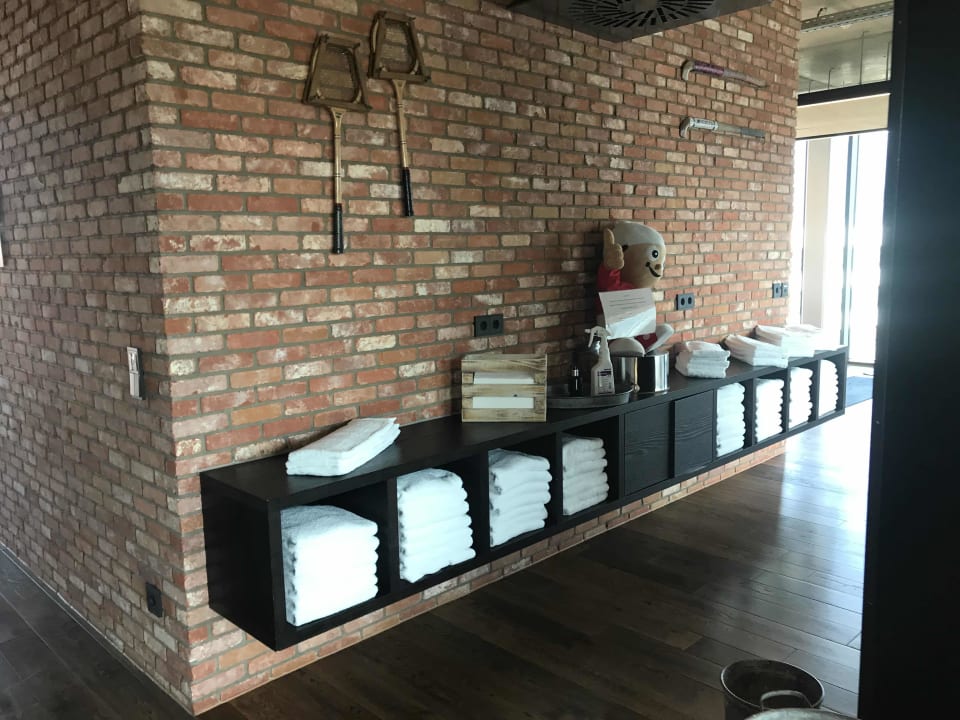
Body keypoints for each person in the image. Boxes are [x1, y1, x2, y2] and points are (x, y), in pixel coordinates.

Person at [596, 221, 673, 353]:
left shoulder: (638, 289)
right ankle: (630, 345)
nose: (659, 266)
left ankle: (646, 341)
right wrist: (610, 266)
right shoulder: (615, 283)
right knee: (627, 343)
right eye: (654, 255)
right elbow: (607, 281)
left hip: (637, 331)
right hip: (616, 337)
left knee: (663, 329)